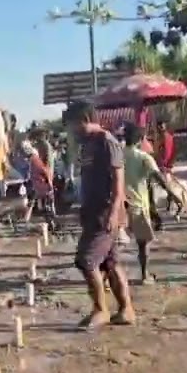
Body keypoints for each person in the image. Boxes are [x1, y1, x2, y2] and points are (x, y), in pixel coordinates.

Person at [68, 100, 134, 329]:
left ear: (85, 120)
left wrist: (115, 213)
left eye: (73, 125)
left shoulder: (107, 142)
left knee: (86, 261)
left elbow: (119, 183)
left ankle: (101, 310)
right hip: (92, 212)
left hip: (106, 212)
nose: (71, 131)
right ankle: (126, 310)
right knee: (110, 263)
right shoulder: (87, 145)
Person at [123, 121, 182, 285]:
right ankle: (144, 275)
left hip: (120, 206)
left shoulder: (118, 154)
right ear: (140, 139)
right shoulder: (143, 157)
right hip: (138, 206)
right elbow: (160, 179)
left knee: (113, 246)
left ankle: (106, 279)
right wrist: (176, 197)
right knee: (143, 243)